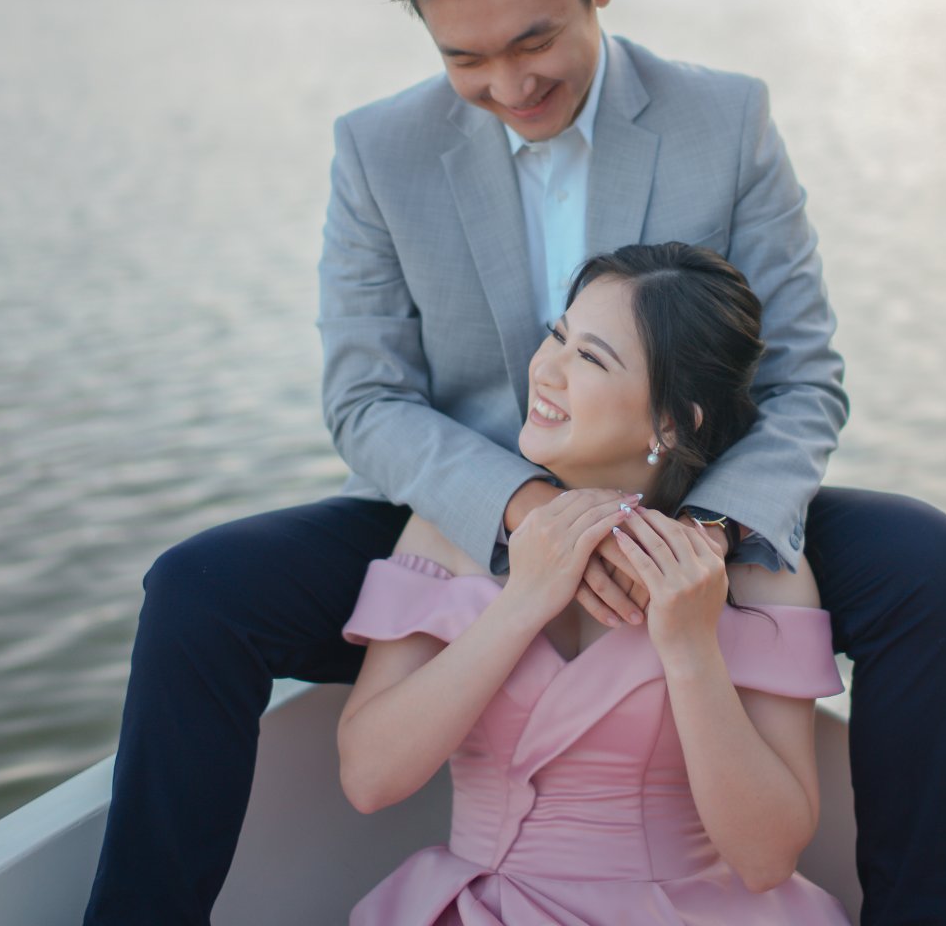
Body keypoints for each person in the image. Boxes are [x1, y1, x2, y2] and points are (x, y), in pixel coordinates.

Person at [83, 0, 946, 926]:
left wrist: (692, 536)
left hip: (689, 494)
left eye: (534, 41)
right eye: (465, 59)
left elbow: (804, 382)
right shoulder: (377, 150)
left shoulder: (726, 119)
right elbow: (365, 398)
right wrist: (528, 516)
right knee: (200, 590)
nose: (509, 87)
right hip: (464, 523)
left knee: (925, 563)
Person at [339, 242, 851, 923]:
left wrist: (691, 649)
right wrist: (521, 601)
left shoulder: (754, 575)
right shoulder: (445, 530)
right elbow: (368, 780)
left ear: (670, 421)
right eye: (557, 336)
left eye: (590, 358)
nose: (545, 369)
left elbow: (766, 860)